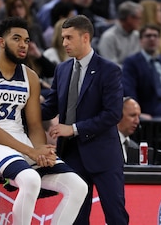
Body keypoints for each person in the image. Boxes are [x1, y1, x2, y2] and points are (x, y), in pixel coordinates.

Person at [0, 17, 87, 225]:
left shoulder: (30, 77)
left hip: (18, 142)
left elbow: (36, 125)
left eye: (27, 41)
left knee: (78, 186)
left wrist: (40, 150)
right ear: (1, 42)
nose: (23, 45)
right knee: (30, 179)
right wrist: (31, 152)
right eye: (16, 39)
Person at [41, 15, 129, 224]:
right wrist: (20, 112)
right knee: (78, 218)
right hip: (71, 154)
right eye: (63, 38)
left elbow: (112, 114)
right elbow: (50, 107)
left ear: (85, 38)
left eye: (69, 38)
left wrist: (74, 128)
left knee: (116, 216)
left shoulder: (109, 70)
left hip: (104, 155)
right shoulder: (61, 69)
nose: (64, 43)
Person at [97, 0, 142, 67]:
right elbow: (110, 67)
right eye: (139, 18)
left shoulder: (137, 35)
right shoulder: (108, 37)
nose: (140, 21)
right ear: (129, 18)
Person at [117, 97, 141, 164]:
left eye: (138, 116)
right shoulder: (104, 145)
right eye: (132, 115)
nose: (137, 121)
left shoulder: (135, 147)